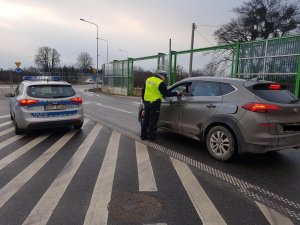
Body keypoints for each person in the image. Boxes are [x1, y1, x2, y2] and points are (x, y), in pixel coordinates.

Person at [140, 70, 182, 141]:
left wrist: (144, 103)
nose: (165, 78)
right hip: (155, 104)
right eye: (165, 76)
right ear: (161, 75)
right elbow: (167, 93)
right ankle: (152, 137)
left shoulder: (148, 80)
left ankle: (143, 136)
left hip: (147, 102)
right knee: (153, 121)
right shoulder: (160, 83)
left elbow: (143, 91)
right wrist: (176, 93)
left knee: (146, 120)